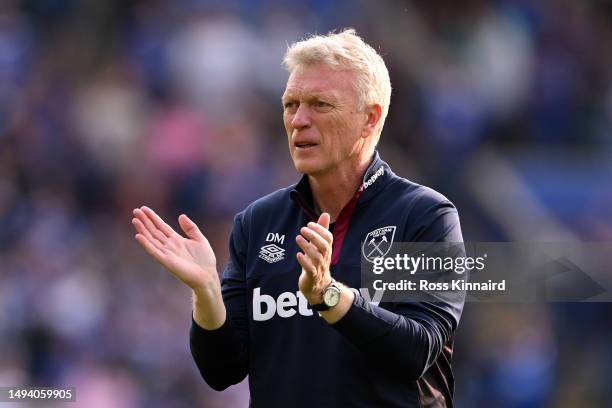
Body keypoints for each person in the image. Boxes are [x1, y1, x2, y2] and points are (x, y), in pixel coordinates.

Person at [132, 29, 464, 408]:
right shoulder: (258, 223)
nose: (299, 120)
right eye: (291, 105)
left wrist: (328, 296)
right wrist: (206, 294)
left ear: (370, 119)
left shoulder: (423, 215)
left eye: (320, 104)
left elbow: (416, 350)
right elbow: (222, 371)